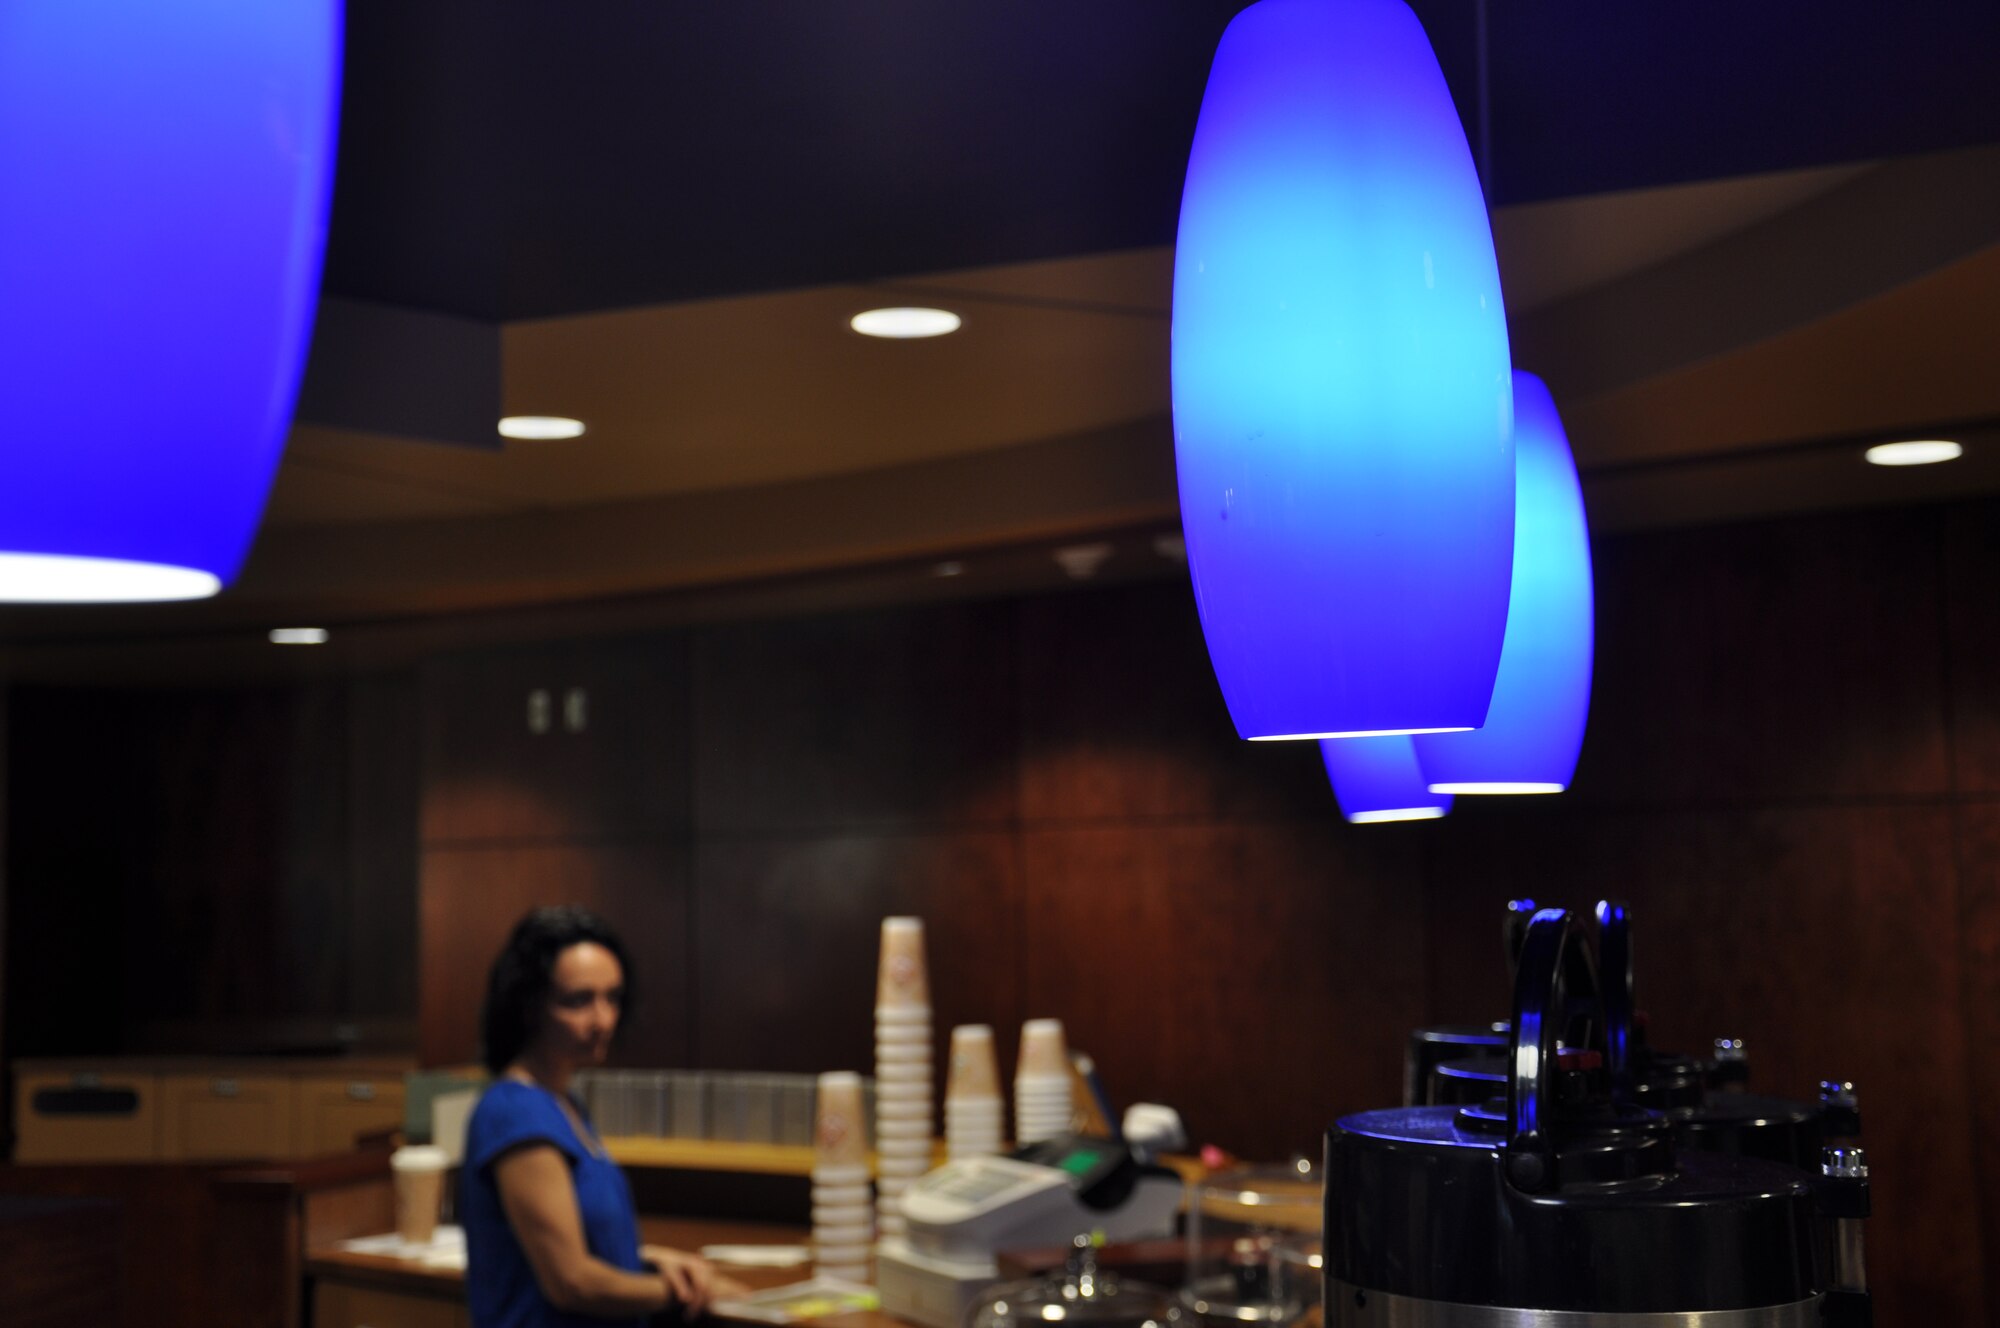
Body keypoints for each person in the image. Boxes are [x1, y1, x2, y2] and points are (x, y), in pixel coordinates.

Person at [462, 905, 747, 1327]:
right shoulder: (516, 1113)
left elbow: (575, 1239)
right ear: (529, 1006)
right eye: (578, 1001)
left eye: (612, 998)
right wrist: (686, 1291)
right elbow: (571, 1281)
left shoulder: (564, 1103)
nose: (603, 1020)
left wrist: (650, 1260)